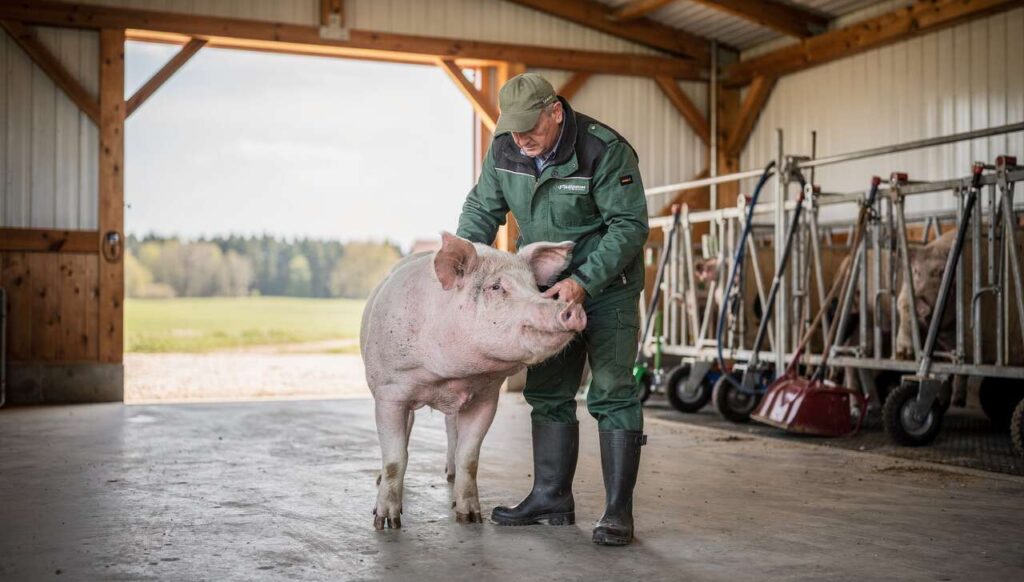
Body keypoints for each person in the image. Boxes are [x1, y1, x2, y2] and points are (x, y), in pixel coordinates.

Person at [456, 72, 649, 546]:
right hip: (543, 289)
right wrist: (464, 262)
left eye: (532, 130)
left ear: (555, 111)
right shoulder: (504, 149)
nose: (523, 141)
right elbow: (483, 209)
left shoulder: (603, 150)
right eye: (515, 130)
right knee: (547, 392)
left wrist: (583, 282)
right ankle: (551, 497)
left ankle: (617, 513)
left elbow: (629, 226)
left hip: (608, 287)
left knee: (612, 392)